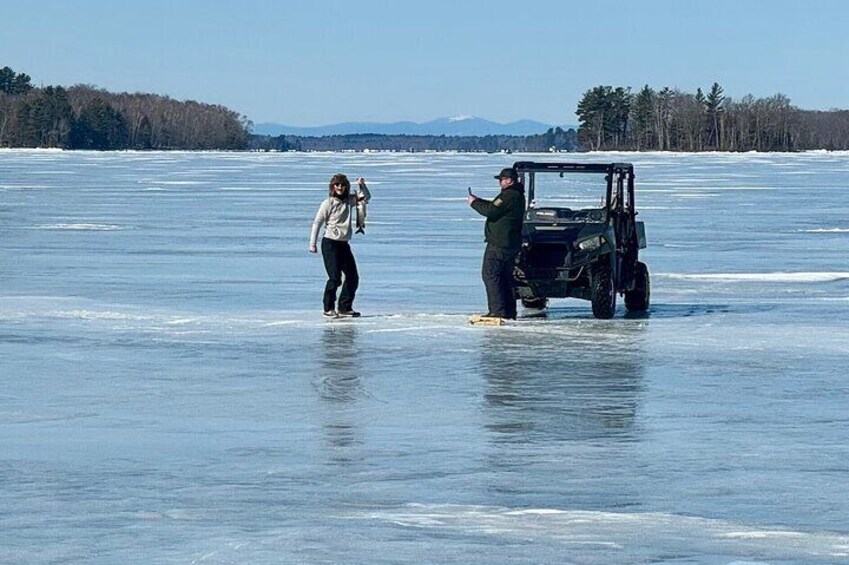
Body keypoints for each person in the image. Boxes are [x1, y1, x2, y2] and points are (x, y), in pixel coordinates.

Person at [467, 167, 526, 320]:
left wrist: (474, 203)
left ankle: (497, 311)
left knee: (490, 275)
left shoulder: (509, 195)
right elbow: (496, 207)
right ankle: (508, 311)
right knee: (505, 277)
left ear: (508, 180)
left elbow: (492, 210)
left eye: (501, 179)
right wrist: (480, 201)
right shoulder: (516, 195)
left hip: (500, 243)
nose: (500, 182)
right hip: (510, 243)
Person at [310, 174, 371, 317]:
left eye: (343, 185)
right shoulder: (328, 203)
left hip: (344, 244)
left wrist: (362, 186)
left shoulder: (349, 201)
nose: (340, 187)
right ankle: (328, 308)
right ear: (332, 187)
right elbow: (317, 223)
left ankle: (344, 307)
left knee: (352, 277)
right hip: (330, 243)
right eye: (337, 185)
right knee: (335, 277)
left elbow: (366, 198)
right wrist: (313, 244)